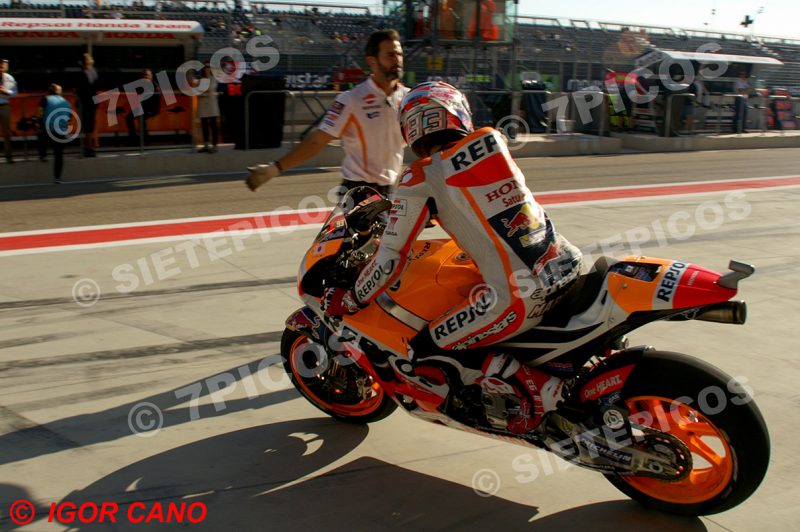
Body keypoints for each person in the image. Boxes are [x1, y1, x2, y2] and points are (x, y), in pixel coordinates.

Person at [322, 82, 583, 434]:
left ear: (410, 129)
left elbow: (389, 258)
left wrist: (351, 298)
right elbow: (473, 195)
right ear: (458, 112)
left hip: (520, 295)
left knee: (422, 349)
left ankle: (544, 399)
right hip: (567, 265)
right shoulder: (493, 140)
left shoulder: (419, 176)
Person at [246, 29, 409, 197]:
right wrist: (274, 169)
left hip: (391, 190)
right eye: (390, 55)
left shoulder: (409, 98)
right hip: (359, 191)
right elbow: (317, 141)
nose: (397, 60)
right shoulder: (351, 99)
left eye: (399, 54)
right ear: (372, 61)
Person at [38, 84, 73, 184]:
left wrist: (39, 123)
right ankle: (57, 177)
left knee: (41, 136)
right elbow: (69, 116)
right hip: (61, 131)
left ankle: (43, 155)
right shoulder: (65, 101)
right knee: (59, 155)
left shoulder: (45, 99)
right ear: (58, 92)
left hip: (48, 129)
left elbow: (40, 112)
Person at [126, 68, 161, 145]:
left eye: (147, 75)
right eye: (144, 75)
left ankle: (145, 140)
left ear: (151, 76)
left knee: (141, 117)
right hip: (143, 108)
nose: (146, 77)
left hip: (152, 109)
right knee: (129, 117)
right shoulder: (142, 85)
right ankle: (134, 138)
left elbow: (153, 102)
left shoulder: (154, 86)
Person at [193, 62, 220, 153]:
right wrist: (205, 92)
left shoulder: (213, 79)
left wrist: (204, 91)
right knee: (204, 125)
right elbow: (198, 91)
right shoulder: (200, 80)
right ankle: (206, 145)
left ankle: (215, 145)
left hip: (212, 105)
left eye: (209, 67)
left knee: (213, 125)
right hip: (203, 105)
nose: (207, 69)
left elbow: (211, 88)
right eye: (205, 67)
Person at [77, 53, 99, 157]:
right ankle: (91, 147)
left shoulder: (83, 74)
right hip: (93, 102)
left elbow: (81, 89)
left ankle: (89, 148)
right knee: (91, 125)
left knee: (87, 126)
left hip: (86, 102)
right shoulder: (94, 72)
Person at [0, 58, 18, 164]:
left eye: (2, 66)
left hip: (4, 106)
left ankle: (8, 156)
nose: (1, 68)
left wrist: (5, 91)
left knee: (7, 133)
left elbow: (15, 92)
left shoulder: (9, 78)